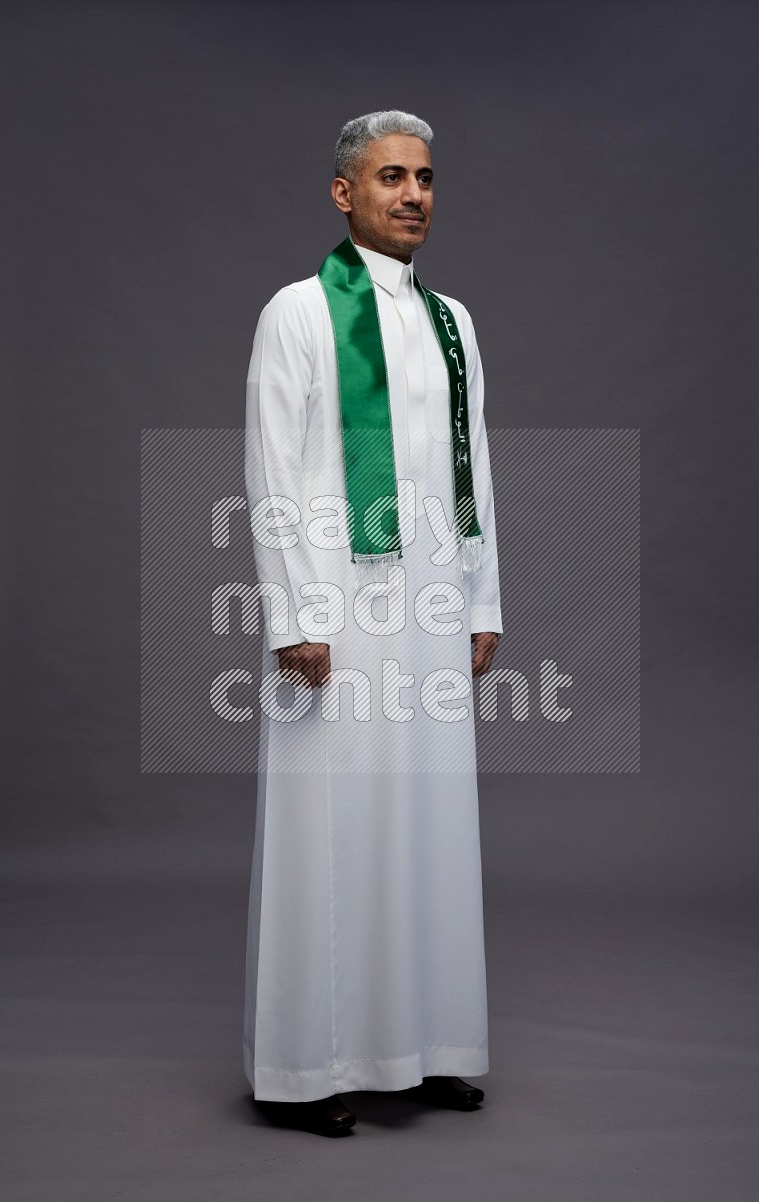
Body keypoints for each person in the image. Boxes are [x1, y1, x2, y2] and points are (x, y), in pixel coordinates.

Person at [243, 110, 503, 1137]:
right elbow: (269, 473)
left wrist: (481, 600)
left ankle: (428, 1044)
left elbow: (472, 466)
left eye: (426, 178)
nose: (412, 195)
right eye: (390, 176)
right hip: (337, 610)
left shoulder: (454, 322)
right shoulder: (298, 312)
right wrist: (292, 615)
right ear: (344, 193)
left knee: (428, 824)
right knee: (333, 829)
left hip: (432, 603)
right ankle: (311, 1064)